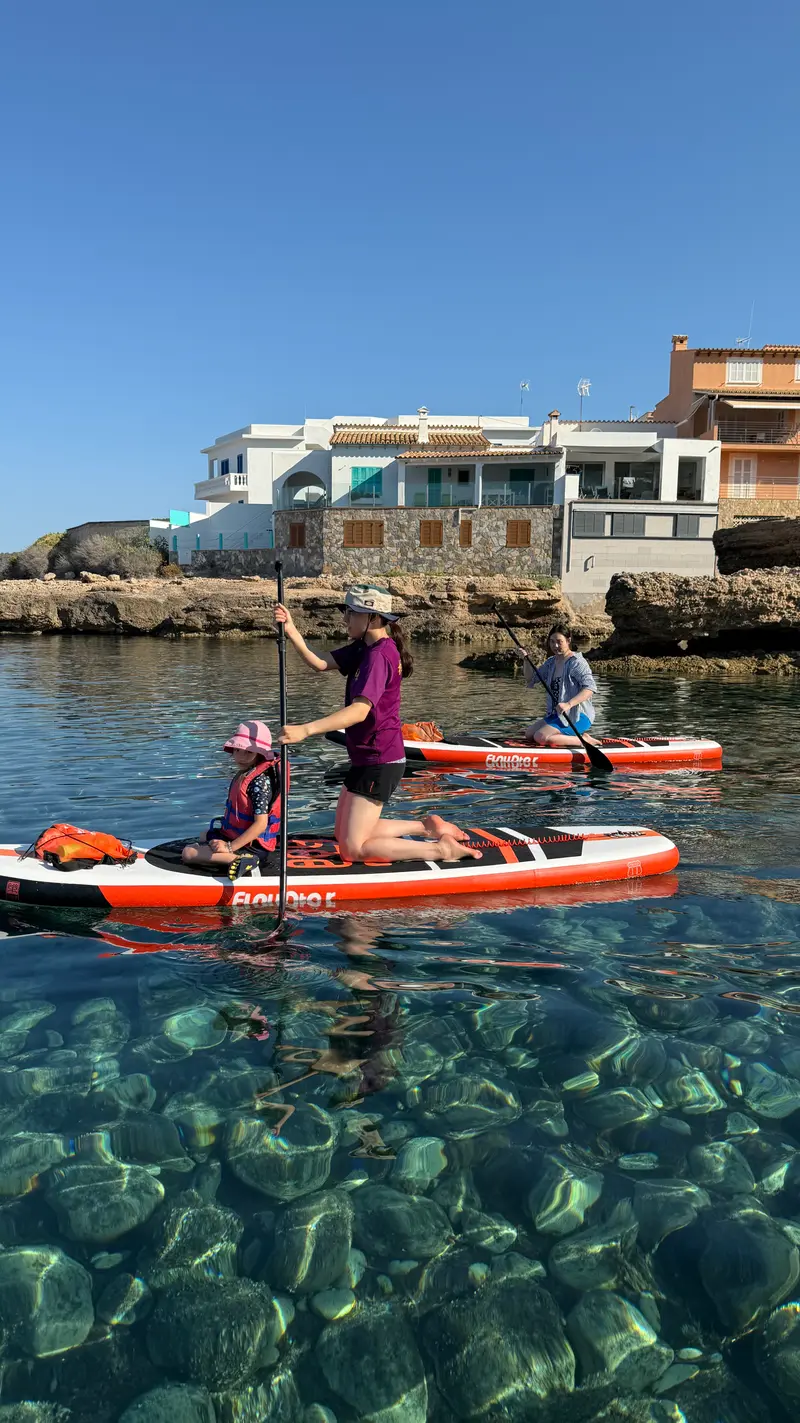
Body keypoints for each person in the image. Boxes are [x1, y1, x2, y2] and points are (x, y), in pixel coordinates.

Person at [274, 584, 480, 864]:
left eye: (350, 613)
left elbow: (359, 711)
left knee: (352, 849)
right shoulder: (363, 647)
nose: (345, 620)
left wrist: (306, 729)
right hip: (365, 758)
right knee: (343, 834)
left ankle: (442, 850)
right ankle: (427, 827)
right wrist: (291, 630)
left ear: (371, 617)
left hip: (380, 760)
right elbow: (321, 663)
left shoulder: (380, 656)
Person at [182, 720, 284, 871]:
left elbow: (261, 824)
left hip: (253, 848)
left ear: (260, 754)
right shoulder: (247, 773)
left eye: (248, 752)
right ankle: (231, 854)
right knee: (204, 835)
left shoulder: (259, 782)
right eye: (237, 750)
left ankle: (242, 860)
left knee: (188, 853)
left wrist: (230, 847)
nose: (241, 756)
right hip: (236, 836)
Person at [521, 625, 599, 748]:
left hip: (578, 715)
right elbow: (531, 679)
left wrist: (568, 704)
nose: (555, 646)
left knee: (540, 737)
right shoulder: (551, 662)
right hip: (558, 715)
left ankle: (584, 740)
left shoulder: (577, 663)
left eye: (559, 642)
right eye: (552, 642)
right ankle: (566, 736)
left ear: (568, 641)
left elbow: (590, 688)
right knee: (529, 734)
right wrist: (525, 660)